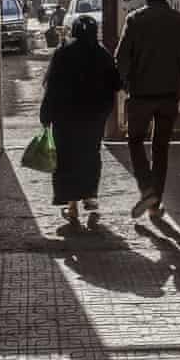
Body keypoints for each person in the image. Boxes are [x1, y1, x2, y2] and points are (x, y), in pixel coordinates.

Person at [115, 0, 180, 220]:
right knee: (161, 148)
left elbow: (121, 59)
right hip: (168, 96)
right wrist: (177, 75)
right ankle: (154, 203)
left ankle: (146, 189)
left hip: (141, 95)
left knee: (135, 141)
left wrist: (127, 84)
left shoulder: (135, 20)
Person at [39, 15, 122, 224]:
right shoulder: (102, 53)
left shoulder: (63, 52)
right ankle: (91, 197)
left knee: (66, 157)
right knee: (90, 153)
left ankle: (72, 206)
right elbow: (117, 83)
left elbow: (52, 86)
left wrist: (46, 113)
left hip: (65, 116)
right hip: (94, 116)